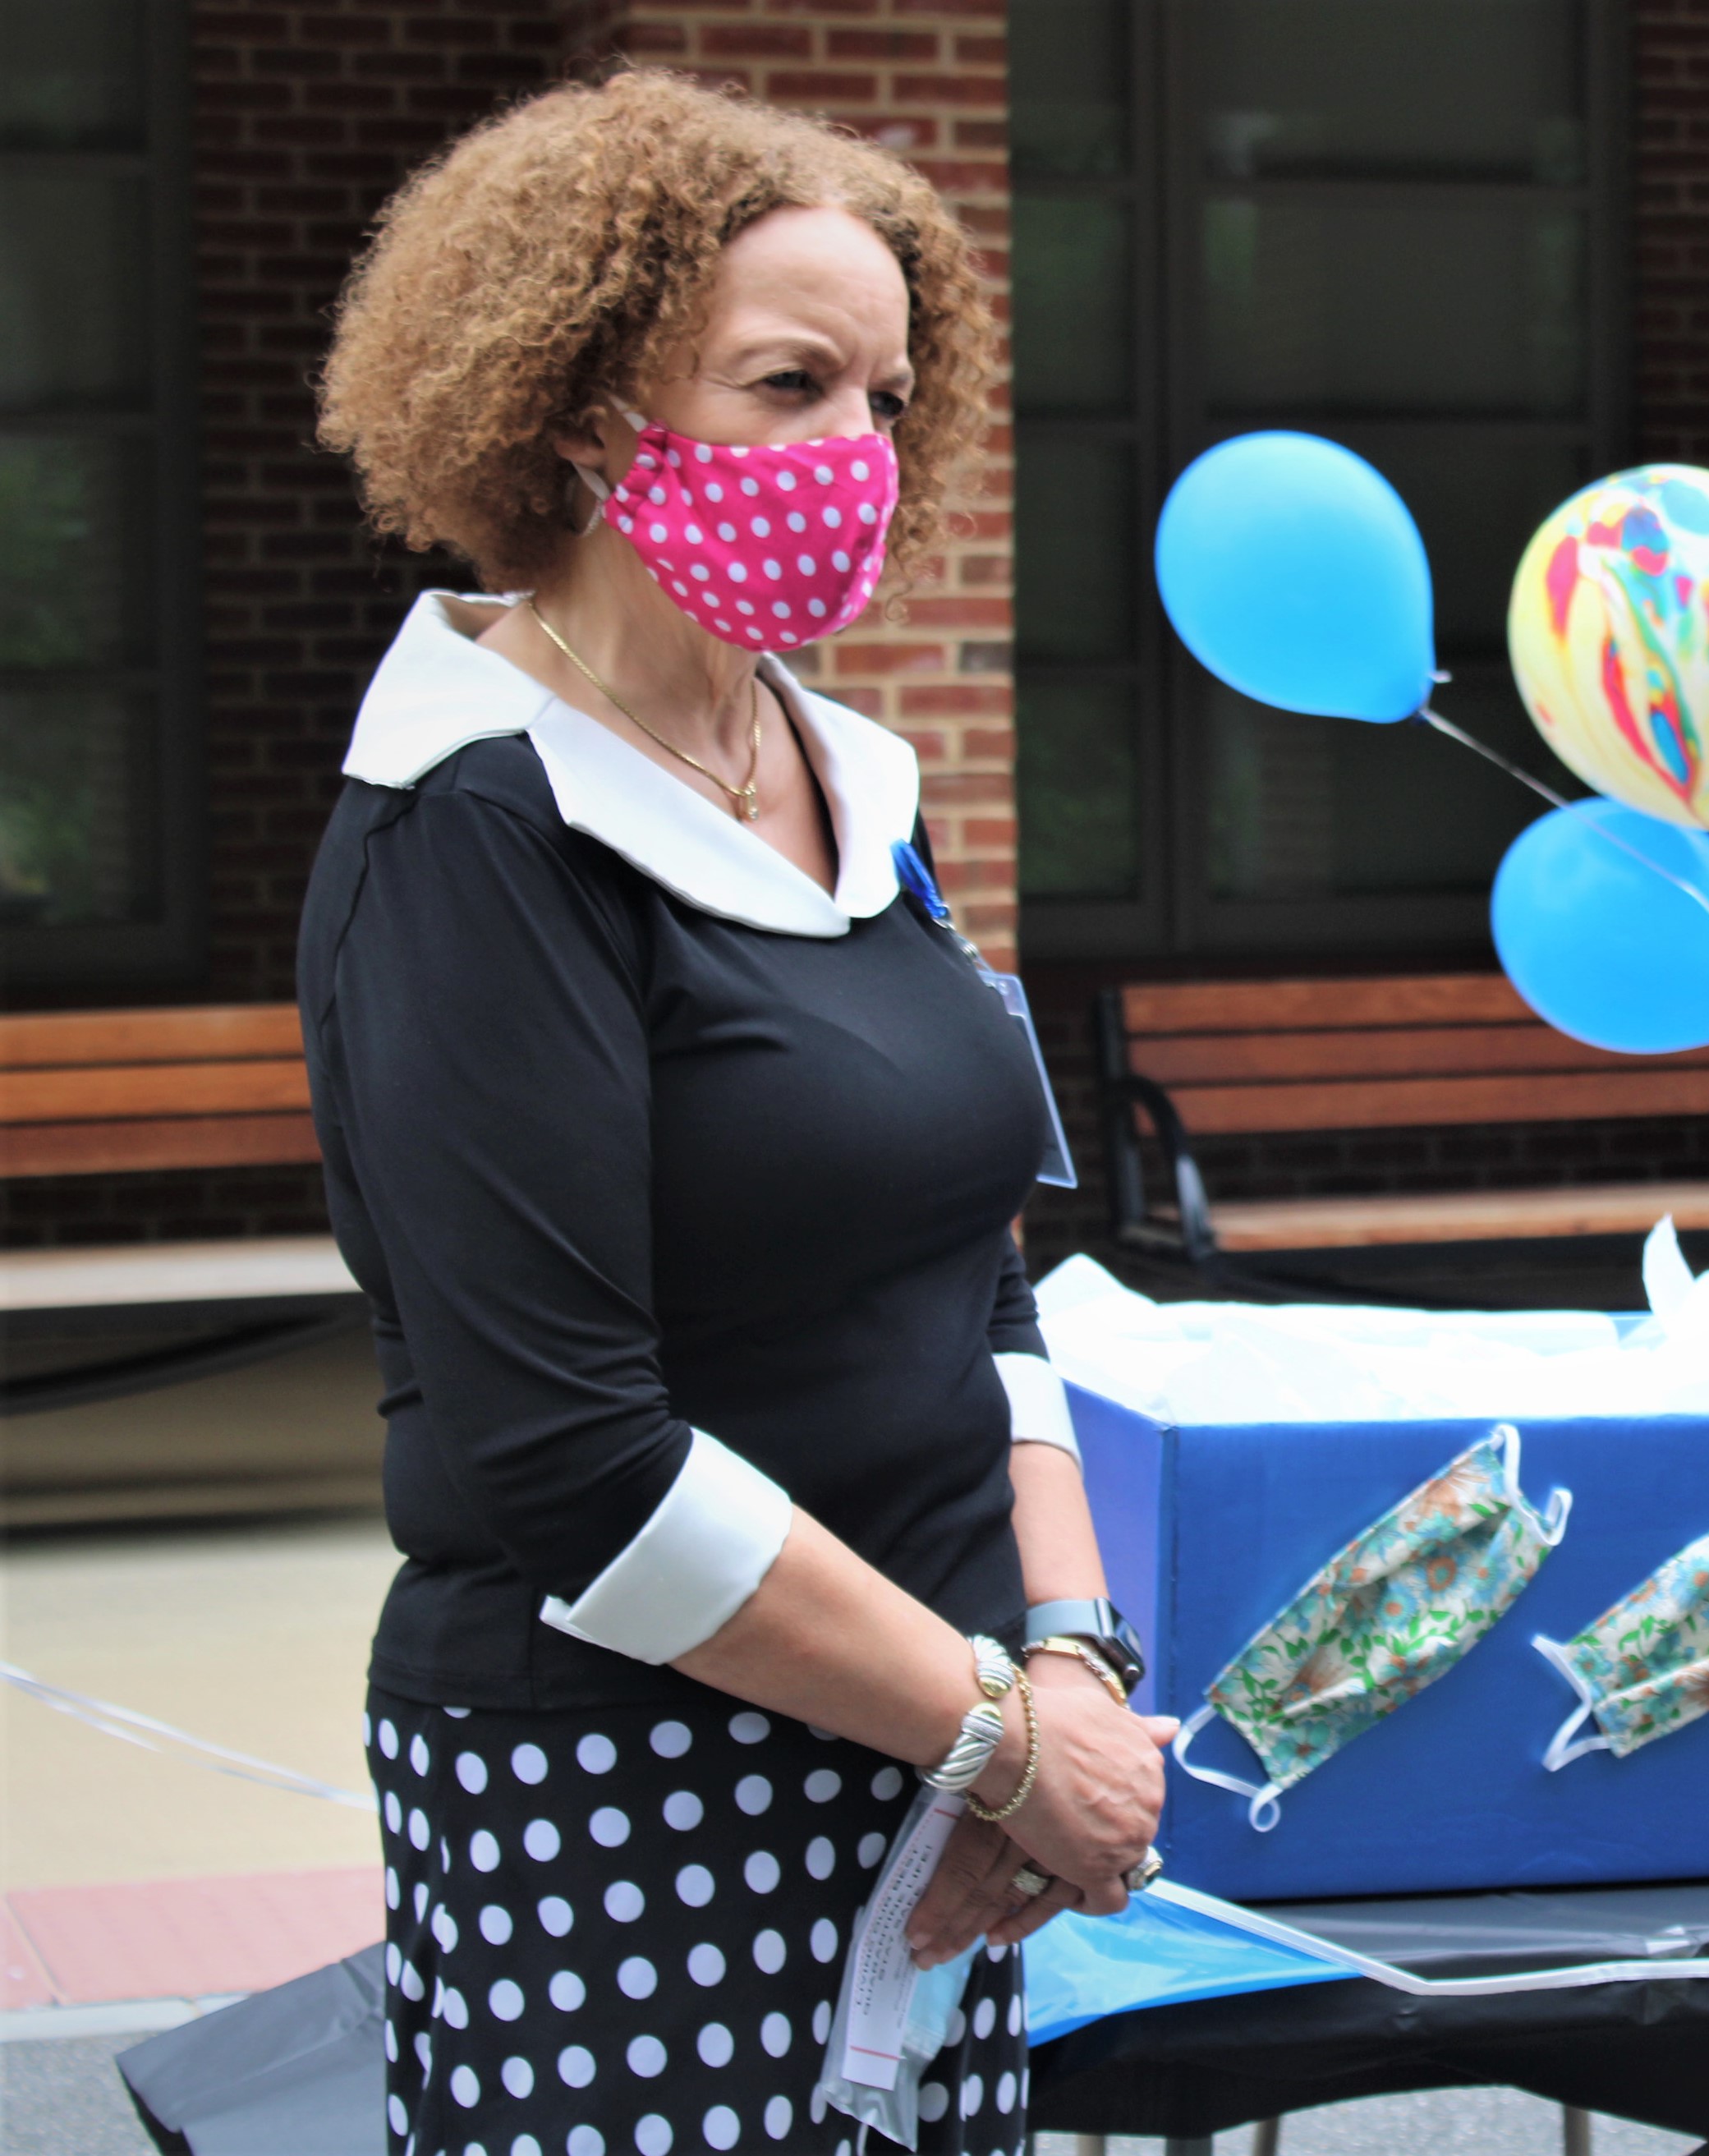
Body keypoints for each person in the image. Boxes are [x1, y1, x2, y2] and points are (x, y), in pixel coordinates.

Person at [303, 67, 1163, 2156]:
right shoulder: (473, 824)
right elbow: (575, 1460)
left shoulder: (853, 784)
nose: (852, 456)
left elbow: (986, 1278)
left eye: (882, 396)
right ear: (587, 409)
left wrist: (1068, 1658)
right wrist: (1002, 1739)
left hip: (939, 1772)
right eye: (789, 384)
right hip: (631, 1798)